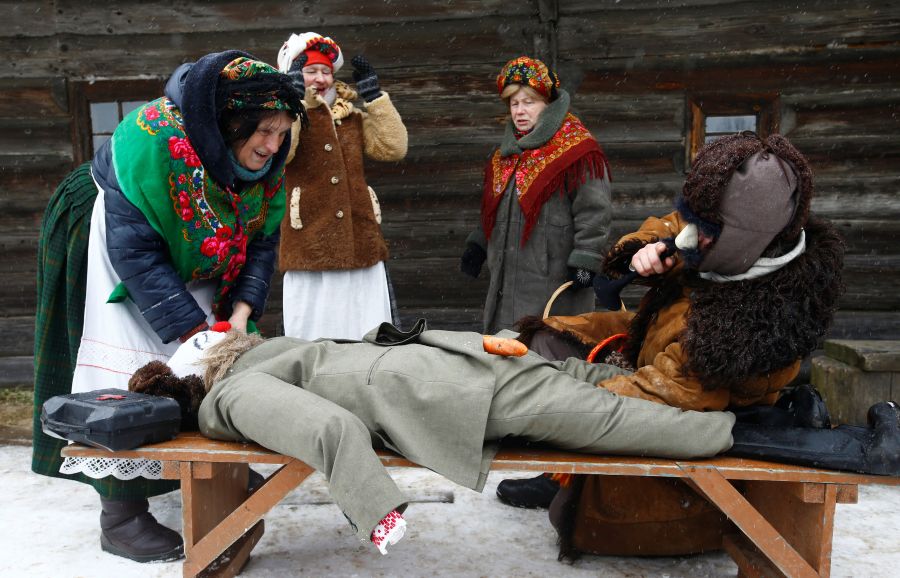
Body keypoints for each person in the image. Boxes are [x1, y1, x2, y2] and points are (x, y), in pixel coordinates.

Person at [495, 132, 852, 557]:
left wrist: (549, 398)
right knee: (545, 340)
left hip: (681, 456)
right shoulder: (739, 237)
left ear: (742, 239)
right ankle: (561, 470)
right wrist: (651, 249)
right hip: (656, 351)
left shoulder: (742, 330)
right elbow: (676, 224)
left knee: (572, 513)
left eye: (703, 231)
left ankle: (571, 479)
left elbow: (660, 396)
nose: (686, 235)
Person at [130, 322, 736, 556]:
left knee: (610, 423)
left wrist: (378, 514)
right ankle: (743, 393)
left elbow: (327, 428)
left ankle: (741, 428)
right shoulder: (274, 350)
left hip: (445, 390)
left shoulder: (230, 397)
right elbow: (355, 349)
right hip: (456, 354)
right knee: (605, 383)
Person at [31, 50, 303, 563]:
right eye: (262, 131)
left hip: (193, 244)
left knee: (212, 351)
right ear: (229, 123)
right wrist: (190, 332)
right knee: (132, 361)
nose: (272, 144)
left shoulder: (268, 156)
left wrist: (242, 312)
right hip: (110, 236)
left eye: (282, 130)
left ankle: (210, 460)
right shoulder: (150, 145)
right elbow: (134, 252)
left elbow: (263, 239)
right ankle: (121, 513)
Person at [461, 56, 612, 334]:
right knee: (504, 351)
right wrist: (479, 244)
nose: (520, 111)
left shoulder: (576, 150)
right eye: (514, 103)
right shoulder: (505, 154)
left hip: (551, 279)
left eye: (528, 102)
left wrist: (587, 259)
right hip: (505, 281)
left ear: (547, 103)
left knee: (548, 352)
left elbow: (595, 210)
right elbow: (493, 208)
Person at [275, 32, 408, 340]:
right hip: (310, 241)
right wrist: (292, 105)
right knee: (316, 333)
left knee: (367, 329)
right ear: (294, 75)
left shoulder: (351, 117)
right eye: (310, 71)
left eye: (325, 71)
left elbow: (393, 147)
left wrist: (374, 98)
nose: (320, 78)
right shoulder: (282, 118)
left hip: (361, 237)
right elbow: (283, 154)